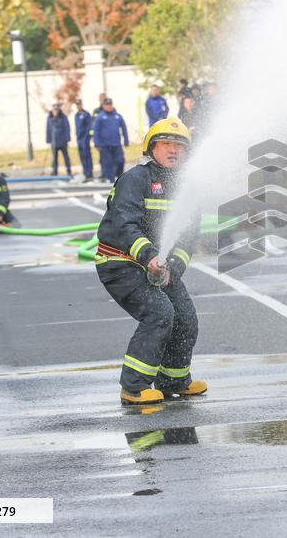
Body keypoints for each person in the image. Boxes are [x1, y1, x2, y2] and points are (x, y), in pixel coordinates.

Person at [94, 117, 205, 405]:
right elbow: (123, 225)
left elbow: (188, 238)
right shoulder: (135, 180)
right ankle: (133, 387)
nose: (173, 150)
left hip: (160, 268)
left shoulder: (188, 188)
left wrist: (173, 271)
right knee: (159, 314)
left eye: (179, 145)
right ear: (151, 148)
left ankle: (174, 380)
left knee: (185, 318)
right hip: (120, 263)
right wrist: (148, 257)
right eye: (166, 144)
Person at [93, 98, 129, 183]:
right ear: (104, 106)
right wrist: (96, 143)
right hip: (105, 145)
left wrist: (126, 139)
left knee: (120, 161)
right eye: (107, 105)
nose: (109, 106)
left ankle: (119, 176)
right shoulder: (100, 117)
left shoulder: (117, 116)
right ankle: (111, 180)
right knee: (109, 163)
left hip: (116, 143)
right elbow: (96, 131)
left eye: (110, 105)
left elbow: (123, 128)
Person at [46, 103, 72, 176]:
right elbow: (48, 129)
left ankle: (69, 171)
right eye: (54, 110)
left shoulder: (63, 117)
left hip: (62, 141)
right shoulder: (50, 118)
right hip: (54, 142)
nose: (55, 112)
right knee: (54, 158)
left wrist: (67, 138)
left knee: (66, 157)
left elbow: (67, 128)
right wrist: (48, 140)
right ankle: (54, 172)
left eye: (57, 110)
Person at [74, 99, 94, 180]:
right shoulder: (76, 115)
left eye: (79, 104)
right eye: (77, 105)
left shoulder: (86, 114)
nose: (78, 106)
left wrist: (87, 137)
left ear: (82, 105)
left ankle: (89, 172)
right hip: (79, 139)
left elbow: (89, 126)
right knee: (82, 155)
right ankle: (85, 171)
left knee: (87, 155)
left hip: (85, 138)